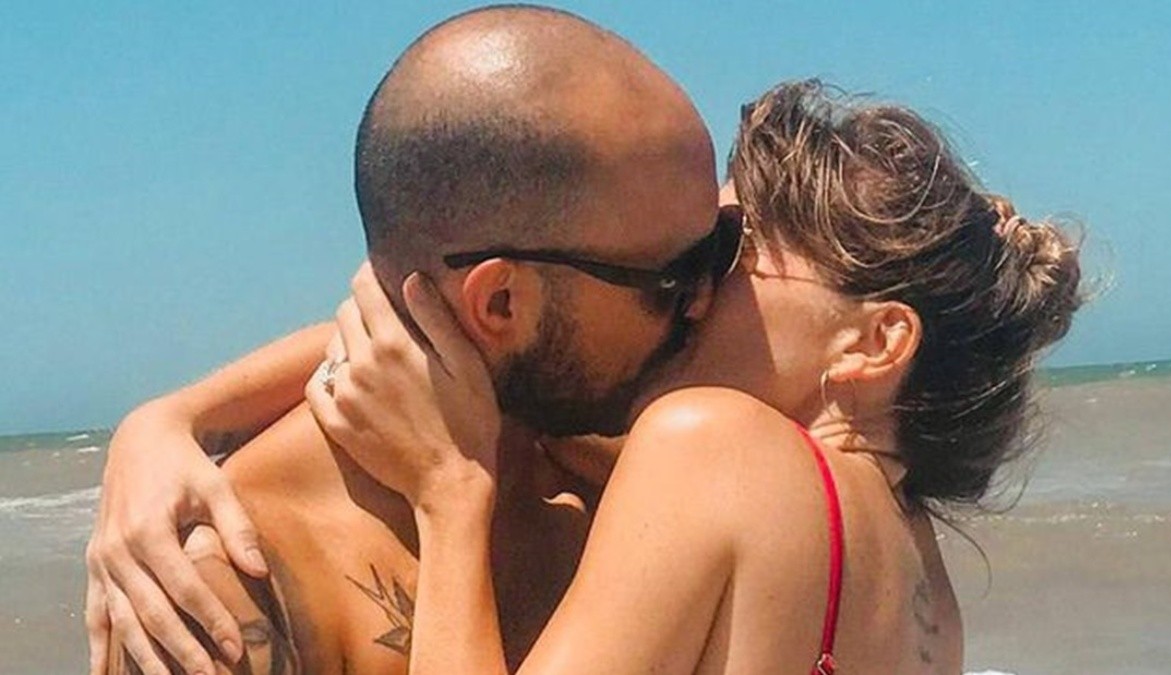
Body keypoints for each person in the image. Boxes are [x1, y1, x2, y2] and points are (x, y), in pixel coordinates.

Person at [89, 23, 1085, 675]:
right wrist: (169, 419)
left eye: (730, 257)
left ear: (873, 342)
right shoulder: (921, 578)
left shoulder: (702, 448)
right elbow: (453, 344)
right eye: (681, 268)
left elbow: (480, 339)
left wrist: (451, 496)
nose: (701, 295)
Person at [89, 5, 733, 674]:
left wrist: (173, 415)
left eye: (724, 243)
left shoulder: (615, 465)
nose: (707, 298)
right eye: (674, 277)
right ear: (501, 302)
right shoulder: (217, 589)